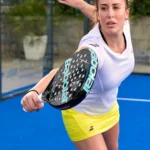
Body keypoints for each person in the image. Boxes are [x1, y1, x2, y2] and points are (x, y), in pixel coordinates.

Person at [21, 0, 135, 149]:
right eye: (104, 8)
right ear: (98, 13)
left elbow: (100, 13)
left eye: (116, 7)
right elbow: (60, 71)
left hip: (109, 108)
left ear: (126, 13)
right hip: (82, 114)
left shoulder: (124, 27)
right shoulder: (93, 49)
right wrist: (35, 91)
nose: (110, 15)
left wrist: (81, 5)